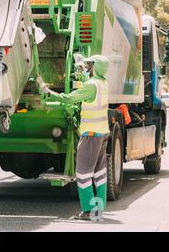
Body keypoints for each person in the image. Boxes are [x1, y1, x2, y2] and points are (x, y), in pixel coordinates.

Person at [37, 55, 110, 221]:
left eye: (89, 65)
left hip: (91, 134)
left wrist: (48, 93)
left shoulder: (91, 86)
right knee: (99, 173)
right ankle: (98, 210)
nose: (87, 67)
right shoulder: (103, 83)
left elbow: (69, 98)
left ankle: (88, 210)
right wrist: (81, 66)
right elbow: (88, 84)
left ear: (96, 67)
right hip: (101, 133)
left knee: (83, 173)